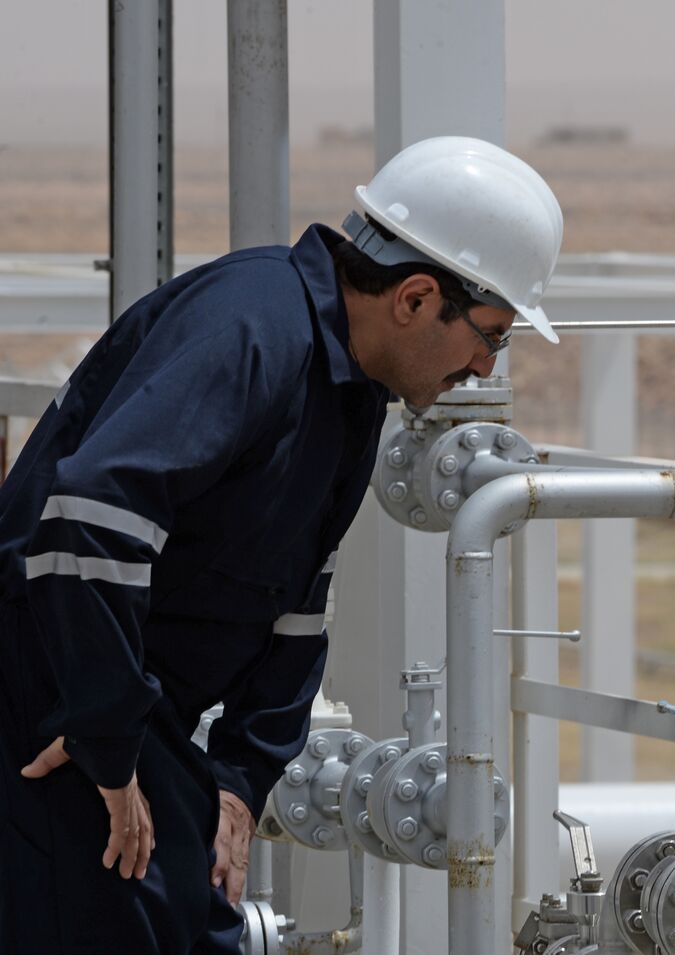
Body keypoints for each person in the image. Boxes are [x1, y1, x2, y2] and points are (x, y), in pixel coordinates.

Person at [0, 136, 563, 953]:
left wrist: (238, 779)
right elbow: (92, 515)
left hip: (131, 723)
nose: (483, 365)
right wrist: (103, 738)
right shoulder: (252, 330)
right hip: (53, 719)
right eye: (492, 334)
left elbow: (299, 597)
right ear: (413, 297)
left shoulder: (349, 388)